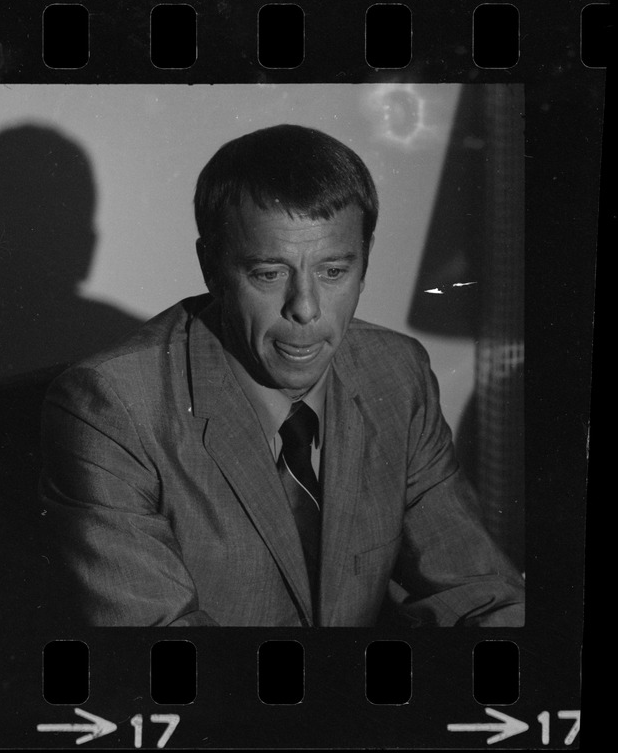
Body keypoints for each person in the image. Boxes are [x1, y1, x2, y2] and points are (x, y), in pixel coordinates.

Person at [40, 124, 525, 627]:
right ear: (211, 266)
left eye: (333, 272)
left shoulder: (397, 374)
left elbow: (477, 590)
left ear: (365, 262)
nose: (306, 309)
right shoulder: (113, 407)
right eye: (269, 274)